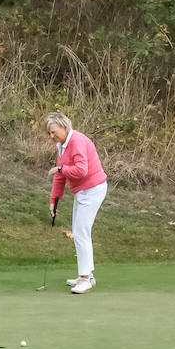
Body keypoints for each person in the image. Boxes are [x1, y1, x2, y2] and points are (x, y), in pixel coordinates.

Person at [46, 111, 108, 294]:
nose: (51, 136)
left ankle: (85, 278)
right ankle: (86, 276)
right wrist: (54, 200)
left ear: (64, 127)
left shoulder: (77, 141)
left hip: (93, 188)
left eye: (53, 132)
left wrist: (60, 168)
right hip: (83, 191)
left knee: (81, 232)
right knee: (80, 232)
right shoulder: (61, 145)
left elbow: (81, 170)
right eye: (49, 133)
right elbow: (61, 176)